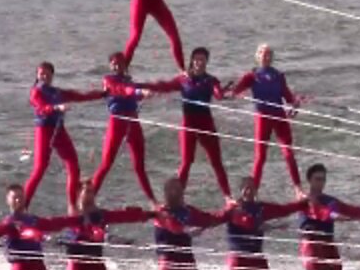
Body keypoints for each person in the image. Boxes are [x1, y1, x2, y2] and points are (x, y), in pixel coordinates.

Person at [141, 46, 233, 200]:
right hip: (188, 124)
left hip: (206, 123)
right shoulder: (183, 80)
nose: (199, 62)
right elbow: (165, 86)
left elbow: (218, 94)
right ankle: (177, 199)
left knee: (216, 162)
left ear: (206, 62)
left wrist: (225, 93)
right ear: (192, 61)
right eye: (196, 59)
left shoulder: (211, 81)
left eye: (202, 59)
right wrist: (145, 88)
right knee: (186, 162)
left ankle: (228, 197)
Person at [222, 178, 306, 270]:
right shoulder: (234, 209)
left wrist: (303, 203)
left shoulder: (261, 208)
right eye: (246, 189)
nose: (249, 191)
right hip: (238, 259)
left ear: (256, 191)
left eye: (252, 188)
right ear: (241, 191)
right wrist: (274, 227)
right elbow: (247, 222)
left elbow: (284, 210)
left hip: (257, 257)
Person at [24, 61, 104, 214]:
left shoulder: (58, 92)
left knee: (73, 165)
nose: (44, 76)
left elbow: (80, 96)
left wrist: (102, 94)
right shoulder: (36, 92)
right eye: (41, 73)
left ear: (52, 75)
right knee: (40, 169)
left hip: (59, 130)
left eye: (47, 73)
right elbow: (41, 107)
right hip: (44, 130)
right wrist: (56, 107)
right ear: (37, 75)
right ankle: (23, 207)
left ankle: (72, 206)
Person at [227, 44, 304, 196]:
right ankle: (253, 193)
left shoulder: (278, 76)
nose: (265, 56)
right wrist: (229, 92)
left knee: (288, 153)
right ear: (257, 56)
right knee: (260, 157)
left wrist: (295, 101)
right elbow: (235, 91)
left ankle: (298, 189)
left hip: (279, 116)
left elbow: (288, 97)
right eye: (262, 53)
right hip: (262, 117)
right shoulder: (251, 76)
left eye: (268, 54)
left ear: (271, 57)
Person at [151, 177, 225, 270]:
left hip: (187, 261)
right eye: (174, 191)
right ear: (166, 193)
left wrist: (228, 213)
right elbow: (173, 226)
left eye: (180, 190)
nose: (179, 193)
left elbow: (210, 219)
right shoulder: (160, 212)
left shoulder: (188, 211)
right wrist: (189, 231)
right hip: (168, 262)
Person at [89, 51, 158, 204]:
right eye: (114, 62)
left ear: (125, 65)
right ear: (109, 65)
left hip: (133, 122)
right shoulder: (108, 81)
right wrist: (139, 91)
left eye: (120, 62)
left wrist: (149, 92)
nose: (117, 65)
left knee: (139, 166)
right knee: (106, 164)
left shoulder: (130, 81)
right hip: (117, 121)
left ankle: (153, 202)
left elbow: (133, 91)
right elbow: (124, 91)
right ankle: (88, 199)